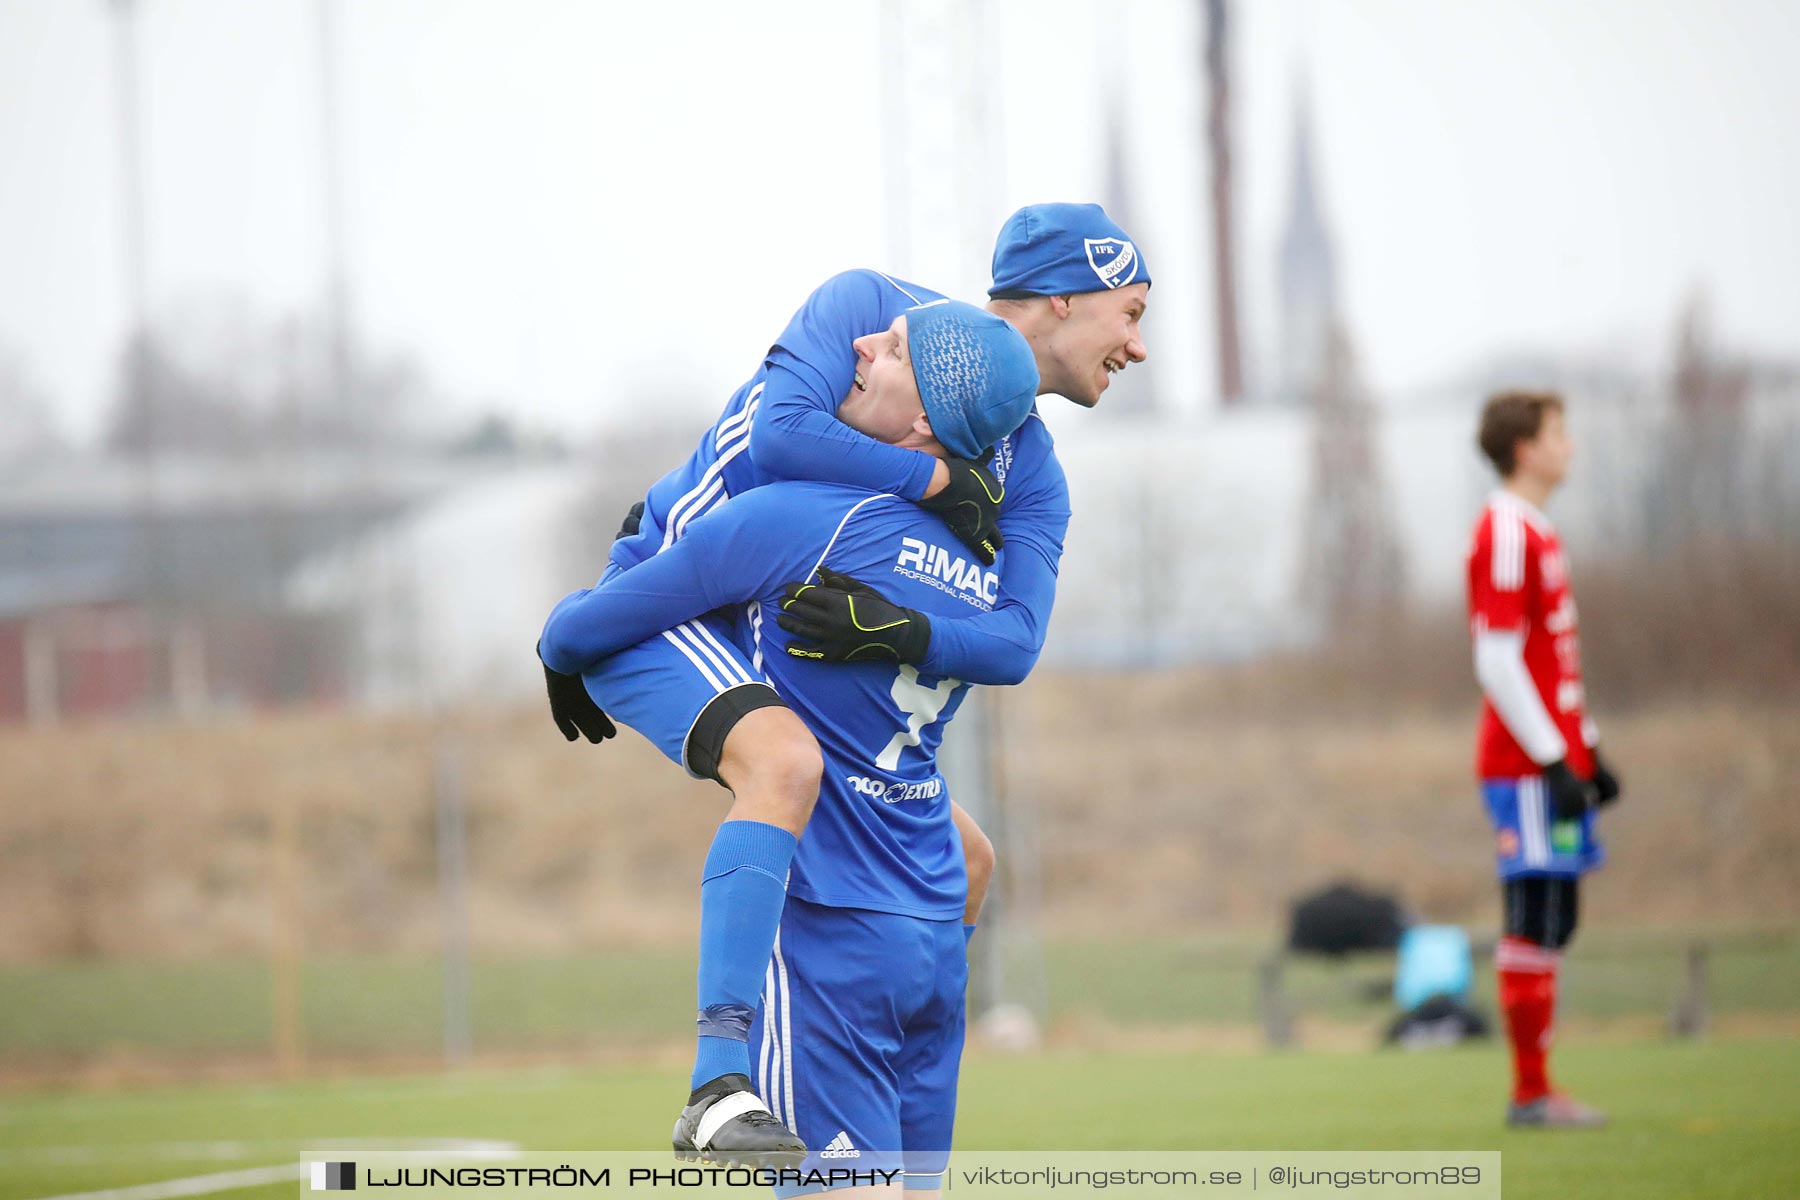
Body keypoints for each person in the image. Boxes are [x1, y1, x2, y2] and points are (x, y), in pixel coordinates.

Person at [539, 204, 1151, 1150]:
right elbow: (781, 438)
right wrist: (939, 484)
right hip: (676, 594)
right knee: (784, 766)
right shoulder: (873, 310)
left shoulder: (1028, 459)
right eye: (1133, 312)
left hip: (775, 607)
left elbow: (1017, 642)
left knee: (970, 863)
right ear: (1066, 300)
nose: (1140, 346)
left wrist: (901, 629)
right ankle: (720, 1085)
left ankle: (906, 1065)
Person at [1465, 390, 1623, 1129]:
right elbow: (1497, 660)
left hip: (1552, 757)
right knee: (1532, 914)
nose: (1571, 446)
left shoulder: (1537, 529)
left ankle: (1539, 1088)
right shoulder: (1504, 530)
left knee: (1559, 916)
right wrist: (1556, 758)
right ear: (1524, 448)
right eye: (1560, 433)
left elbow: (1550, 660)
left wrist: (1588, 748)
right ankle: (1530, 1093)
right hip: (1524, 765)